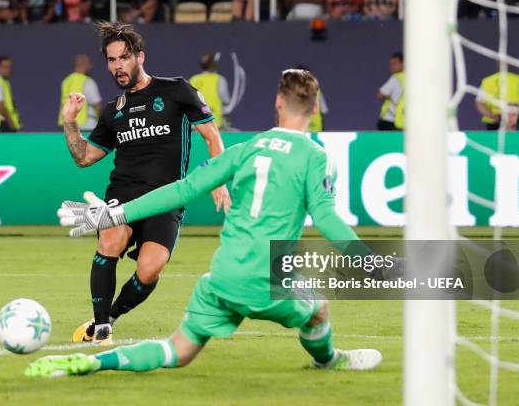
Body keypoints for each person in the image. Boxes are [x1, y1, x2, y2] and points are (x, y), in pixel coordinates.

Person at [25, 69, 384, 378]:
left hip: (222, 277)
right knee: (318, 308)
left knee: (177, 351)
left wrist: (114, 214)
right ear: (315, 107)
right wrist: (371, 262)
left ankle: (92, 364)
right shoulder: (317, 158)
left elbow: (182, 190)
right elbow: (326, 217)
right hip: (269, 278)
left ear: (277, 102)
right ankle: (332, 361)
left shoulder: (246, 149)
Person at [61, 22, 230, 345]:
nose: (117, 66)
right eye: (111, 60)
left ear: (140, 56)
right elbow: (84, 157)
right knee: (110, 240)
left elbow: (212, 135)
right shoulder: (113, 111)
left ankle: (109, 316)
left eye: (124, 58)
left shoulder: (177, 90)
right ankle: (102, 331)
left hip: (167, 198)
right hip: (123, 196)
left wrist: (218, 179)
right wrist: (70, 122)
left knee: (151, 269)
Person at [58, 55, 102, 131]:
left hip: (69, 127)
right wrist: (102, 124)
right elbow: (97, 106)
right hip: (88, 126)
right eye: (89, 64)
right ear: (84, 64)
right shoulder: (88, 82)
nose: (91, 67)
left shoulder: (66, 81)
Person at [189, 53, 230, 129]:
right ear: (213, 64)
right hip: (214, 123)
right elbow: (226, 100)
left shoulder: (193, 79)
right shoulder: (219, 79)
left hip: (196, 124)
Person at [475, 63, 519, 130]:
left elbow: (479, 103)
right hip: (503, 122)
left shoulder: (488, 81)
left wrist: (492, 116)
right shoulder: (518, 80)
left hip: (511, 123)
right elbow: (480, 103)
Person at [0, 55, 22, 133]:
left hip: (5, 124)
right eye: (5, 67)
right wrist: (11, 124)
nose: (9, 70)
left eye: (10, 67)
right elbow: (0, 106)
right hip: (1, 125)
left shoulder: (5, 83)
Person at [376, 52, 404, 131]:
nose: (392, 67)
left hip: (390, 121)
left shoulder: (396, 78)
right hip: (404, 122)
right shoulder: (414, 78)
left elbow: (380, 95)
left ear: (403, 63)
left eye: (395, 64)